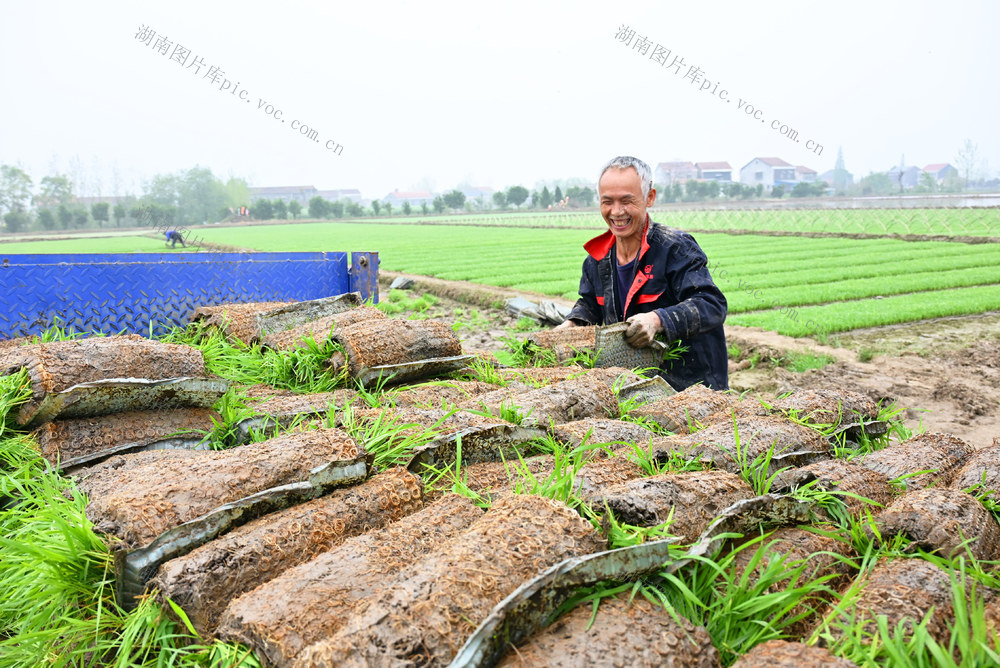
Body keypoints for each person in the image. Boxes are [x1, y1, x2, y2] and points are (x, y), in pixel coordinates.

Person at [555, 156, 728, 390]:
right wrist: (574, 323)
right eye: (608, 202)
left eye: (627, 201)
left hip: (691, 388)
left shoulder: (675, 248)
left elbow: (711, 304)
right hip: (634, 387)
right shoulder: (596, 260)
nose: (616, 212)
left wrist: (657, 320)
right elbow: (590, 304)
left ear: (649, 197)